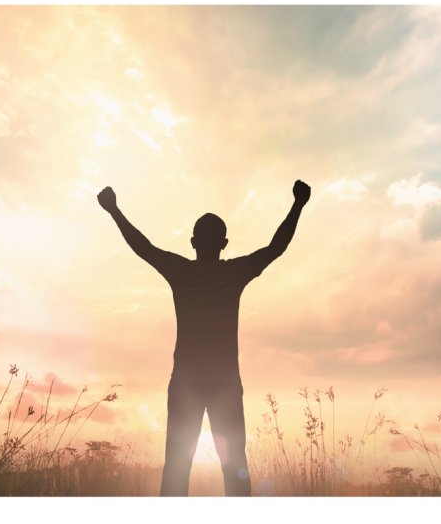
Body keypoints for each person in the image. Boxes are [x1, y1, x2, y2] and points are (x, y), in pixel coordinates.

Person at [98, 180, 310, 498]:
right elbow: (274, 248)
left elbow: (143, 247)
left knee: (177, 468)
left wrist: (114, 210)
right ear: (224, 244)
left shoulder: (180, 271)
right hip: (225, 384)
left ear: (193, 242)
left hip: (186, 384)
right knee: (235, 466)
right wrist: (298, 204)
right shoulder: (234, 273)